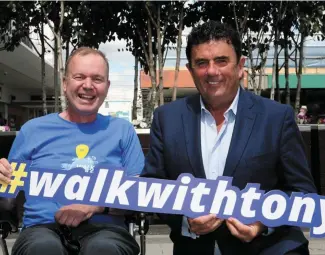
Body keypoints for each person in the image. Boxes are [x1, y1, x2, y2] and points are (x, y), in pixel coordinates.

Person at [141, 21, 317, 255]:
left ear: (240, 65)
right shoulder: (167, 118)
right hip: (195, 249)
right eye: (202, 63)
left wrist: (263, 222)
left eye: (221, 61)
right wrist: (185, 220)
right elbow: (152, 188)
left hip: (269, 248)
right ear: (191, 69)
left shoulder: (276, 117)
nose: (212, 71)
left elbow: (303, 192)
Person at [0, 47, 144, 255]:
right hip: (41, 228)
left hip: (106, 229)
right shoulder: (33, 130)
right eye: (79, 77)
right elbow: (6, 198)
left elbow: (140, 195)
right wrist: (2, 178)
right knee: (43, 249)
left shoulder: (122, 131)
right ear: (65, 83)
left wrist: (95, 206)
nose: (88, 85)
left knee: (103, 249)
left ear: (107, 86)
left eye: (97, 79)